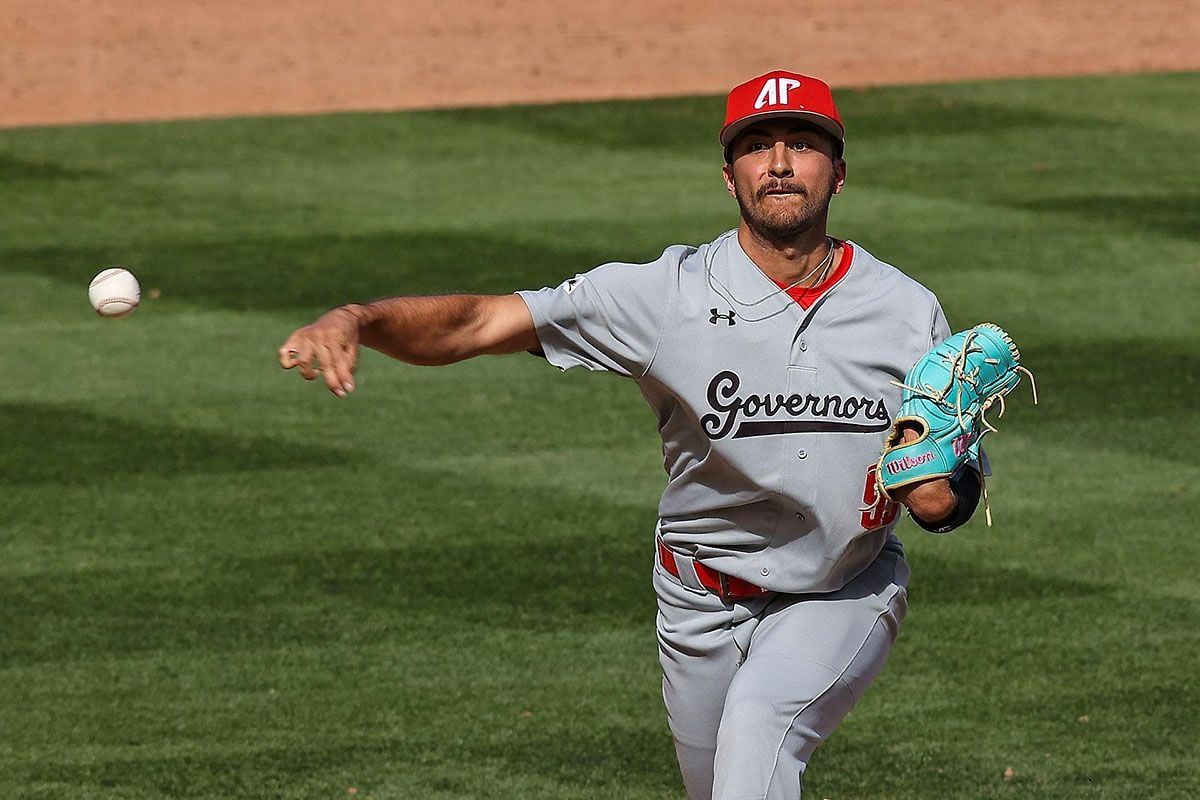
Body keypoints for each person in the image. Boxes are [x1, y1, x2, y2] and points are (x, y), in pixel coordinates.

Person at [278, 69, 982, 800]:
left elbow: (957, 478)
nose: (778, 163)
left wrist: (942, 496)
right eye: (757, 146)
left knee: (759, 734)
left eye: (802, 145)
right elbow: (481, 322)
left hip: (839, 592)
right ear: (728, 175)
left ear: (837, 173)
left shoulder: (906, 310)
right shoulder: (664, 296)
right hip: (698, 601)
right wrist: (358, 318)